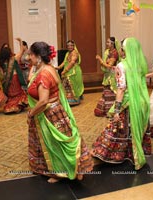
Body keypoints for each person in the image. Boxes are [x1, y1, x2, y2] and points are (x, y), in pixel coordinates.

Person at [27, 42, 93, 183]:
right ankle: (76, 168)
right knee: (64, 139)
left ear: (38, 56)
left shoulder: (44, 74)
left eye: (31, 54)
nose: (28, 57)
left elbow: (43, 101)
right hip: (57, 109)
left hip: (49, 113)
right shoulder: (49, 68)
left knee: (55, 143)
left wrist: (31, 113)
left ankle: (61, 172)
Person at [92, 38, 151, 170]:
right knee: (134, 128)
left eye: (122, 49)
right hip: (141, 102)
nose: (120, 51)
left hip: (127, 102)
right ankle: (134, 154)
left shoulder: (122, 66)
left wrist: (117, 110)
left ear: (125, 51)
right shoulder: (140, 63)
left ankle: (115, 154)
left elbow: (121, 89)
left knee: (118, 129)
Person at [0, 39, 28, 114]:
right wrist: (20, 42)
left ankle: (11, 107)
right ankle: (17, 106)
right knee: (17, 93)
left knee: (11, 95)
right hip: (15, 78)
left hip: (6, 80)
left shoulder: (0, 61)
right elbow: (21, 51)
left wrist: (2, 80)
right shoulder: (14, 58)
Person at [94, 37, 119, 117]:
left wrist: (100, 60)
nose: (106, 44)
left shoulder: (114, 53)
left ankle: (111, 111)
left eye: (108, 42)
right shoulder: (108, 52)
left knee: (111, 93)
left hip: (112, 77)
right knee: (106, 93)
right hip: (107, 76)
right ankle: (107, 110)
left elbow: (109, 66)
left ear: (112, 44)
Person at [56, 40, 84, 105]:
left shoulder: (75, 53)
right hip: (68, 71)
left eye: (71, 45)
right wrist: (59, 67)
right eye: (68, 45)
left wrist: (65, 70)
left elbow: (72, 62)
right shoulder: (67, 53)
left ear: (74, 46)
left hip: (74, 72)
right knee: (66, 84)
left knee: (73, 85)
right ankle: (68, 99)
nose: (70, 47)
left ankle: (75, 100)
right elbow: (64, 62)